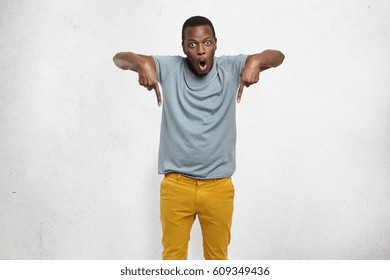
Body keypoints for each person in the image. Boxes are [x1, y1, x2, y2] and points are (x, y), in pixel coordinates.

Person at [113, 15, 284, 260]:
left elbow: (278, 56)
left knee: (217, 261)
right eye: (192, 45)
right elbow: (119, 58)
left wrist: (256, 61)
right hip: (176, 185)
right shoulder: (170, 67)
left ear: (216, 44)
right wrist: (141, 63)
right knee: (172, 260)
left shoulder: (230, 67)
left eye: (207, 43)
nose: (200, 50)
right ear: (183, 47)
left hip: (218, 186)